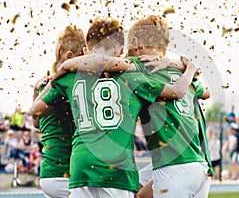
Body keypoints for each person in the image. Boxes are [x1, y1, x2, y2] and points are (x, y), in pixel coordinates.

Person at [31, 16, 199, 198]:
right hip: (117, 170)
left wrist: (56, 76)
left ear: (86, 50)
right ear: (121, 50)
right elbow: (178, 91)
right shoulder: (133, 77)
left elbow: (34, 112)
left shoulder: (71, 76)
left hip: (81, 166)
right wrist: (185, 66)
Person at [126, 15, 213, 198]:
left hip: (174, 167)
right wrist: (183, 65)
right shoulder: (178, 73)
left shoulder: (139, 72)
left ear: (135, 42)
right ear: (164, 50)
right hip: (200, 164)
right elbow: (206, 92)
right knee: (138, 193)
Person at [29, 25, 86, 198]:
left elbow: (36, 123)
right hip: (64, 174)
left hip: (49, 172)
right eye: (83, 57)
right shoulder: (66, 85)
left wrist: (35, 93)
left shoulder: (45, 87)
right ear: (70, 57)